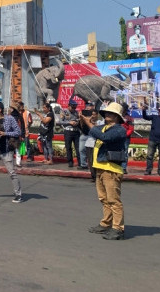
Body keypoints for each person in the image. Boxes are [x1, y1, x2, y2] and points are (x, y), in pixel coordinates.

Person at [86, 101, 128, 240]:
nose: (107, 115)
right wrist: (84, 121)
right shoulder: (103, 127)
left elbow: (105, 138)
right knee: (103, 198)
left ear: (117, 117)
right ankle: (106, 223)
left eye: (111, 113)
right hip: (101, 167)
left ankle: (118, 228)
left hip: (111, 169)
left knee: (113, 200)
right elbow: (90, 131)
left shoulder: (119, 129)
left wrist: (89, 124)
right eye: (106, 113)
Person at [59, 100, 81, 167]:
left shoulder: (76, 112)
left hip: (76, 131)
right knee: (68, 147)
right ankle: (70, 162)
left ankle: (80, 162)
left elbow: (78, 120)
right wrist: (69, 122)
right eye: (72, 107)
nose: (74, 109)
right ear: (69, 106)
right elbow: (60, 122)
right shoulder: (64, 112)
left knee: (78, 148)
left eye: (75, 107)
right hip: (68, 131)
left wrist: (77, 121)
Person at [120, 103, 134, 174]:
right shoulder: (117, 116)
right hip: (117, 137)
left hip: (125, 138)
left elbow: (131, 129)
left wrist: (125, 135)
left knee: (125, 152)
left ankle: (123, 167)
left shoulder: (129, 118)